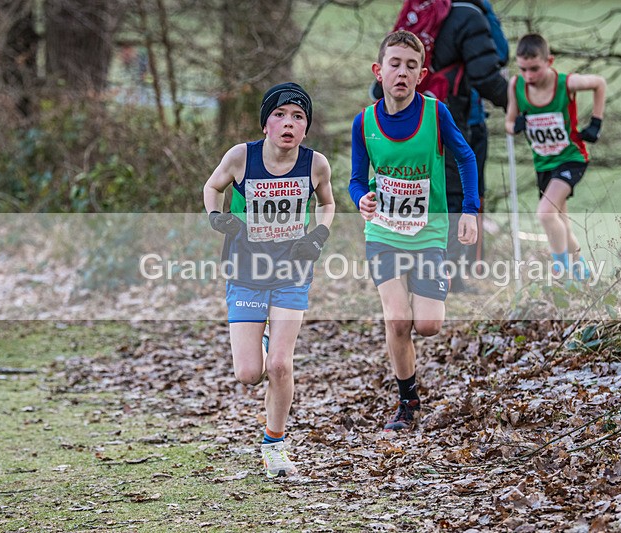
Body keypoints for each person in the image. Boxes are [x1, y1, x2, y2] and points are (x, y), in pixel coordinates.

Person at [203, 82, 335, 478]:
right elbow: (212, 187)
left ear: (306, 128)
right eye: (279, 115)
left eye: (298, 117)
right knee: (248, 373)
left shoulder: (315, 165)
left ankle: (274, 445)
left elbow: (327, 203)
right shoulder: (241, 157)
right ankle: (260, 340)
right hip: (246, 274)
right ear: (266, 125)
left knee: (280, 364)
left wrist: (318, 235)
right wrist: (216, 217)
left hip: (291, 274)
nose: (288, 123)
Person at [349, 31, 478, 431]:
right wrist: (361, 200)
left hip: (428, 233)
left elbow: (466, 157)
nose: (401, 73)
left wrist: (470, 210)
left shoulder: (436, 113)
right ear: (379, 70)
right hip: (383, 233)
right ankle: (408, 403)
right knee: (397, 320)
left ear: (421, 74)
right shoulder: (364, 122)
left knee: (428, 326)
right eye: (394, 64)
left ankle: (433, 284)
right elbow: (356, 179)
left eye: (410, 66)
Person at [505, 33, 606, 279]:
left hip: (571, 157)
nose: (529, 76)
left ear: (549, 60)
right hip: (543, 163)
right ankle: (582, 273)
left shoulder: (566, 83)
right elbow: (508, 123)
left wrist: (596, 121)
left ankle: (560, 274)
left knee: (545, 214)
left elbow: (599, 83)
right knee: (561, 223)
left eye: (535, 69)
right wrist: (515, 125)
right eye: (523, 69)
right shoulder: (516, 86)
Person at [433, 0, 510, 290]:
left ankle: (434, 268)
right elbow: (494, 61)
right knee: (462, 195)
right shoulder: (470, 13)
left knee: (438, 194)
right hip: (463, 116)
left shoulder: (426, 10)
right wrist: (517, 104)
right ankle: (452, 276)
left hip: (423, 117)